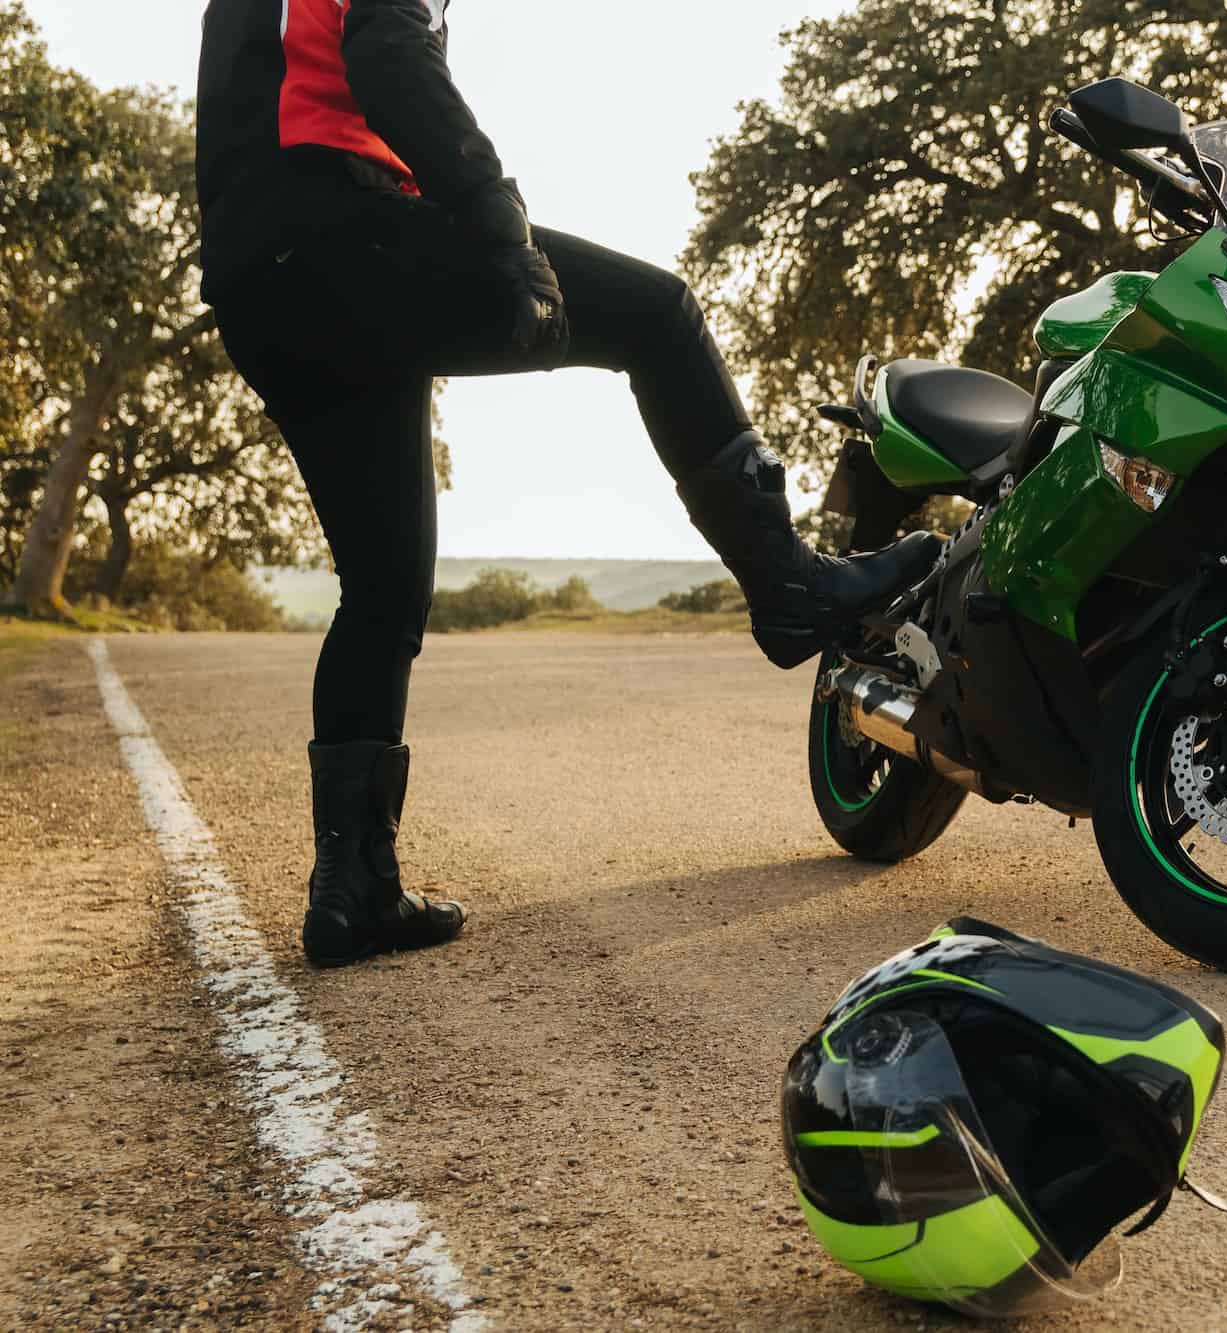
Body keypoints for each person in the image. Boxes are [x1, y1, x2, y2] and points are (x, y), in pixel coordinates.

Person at [194, 0, 938, 967]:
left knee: (380, 590)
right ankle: (788, 587)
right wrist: (502, 228)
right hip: (352, 229)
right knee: (657, 314)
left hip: (259, 285)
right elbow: (388, 49)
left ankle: (354, 885)